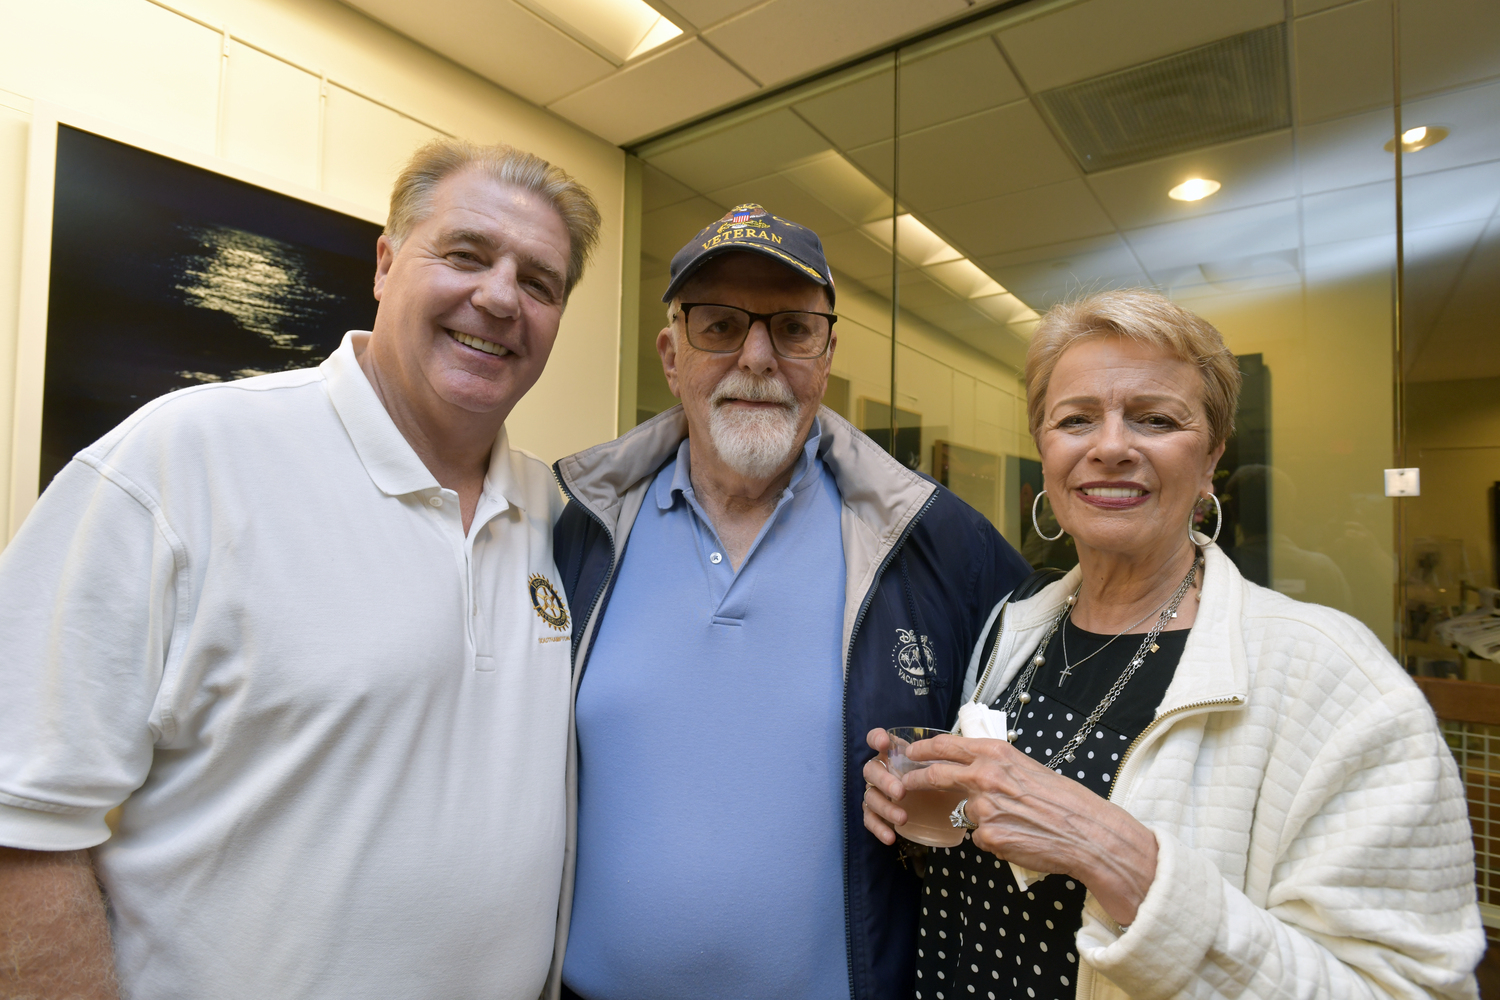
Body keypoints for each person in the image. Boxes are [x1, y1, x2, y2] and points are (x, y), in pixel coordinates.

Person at [0, 138, 600, 999]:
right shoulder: (179, 461)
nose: (500, 296)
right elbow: (21, 825)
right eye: (466, 254)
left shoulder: (559, 517)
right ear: (387, 264)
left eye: (538, 281)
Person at [862, 288, 1485, 1000]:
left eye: (1156, 419)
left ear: (1212, 455)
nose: (1111, 447)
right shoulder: (1012, 632)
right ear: (1045, 450)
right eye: (1076, 419)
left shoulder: (1335, 680)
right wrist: (926, 828)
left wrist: (1118, 859)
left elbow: (1414, 990)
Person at [548, 203, 1031, 1000]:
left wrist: (963, 808)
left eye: (794, 330)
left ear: (828, 354)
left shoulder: (929, 540)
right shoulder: (580, 531)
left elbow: (1048, 714)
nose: (758, 357)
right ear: (672, 355)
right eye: (719, 325)